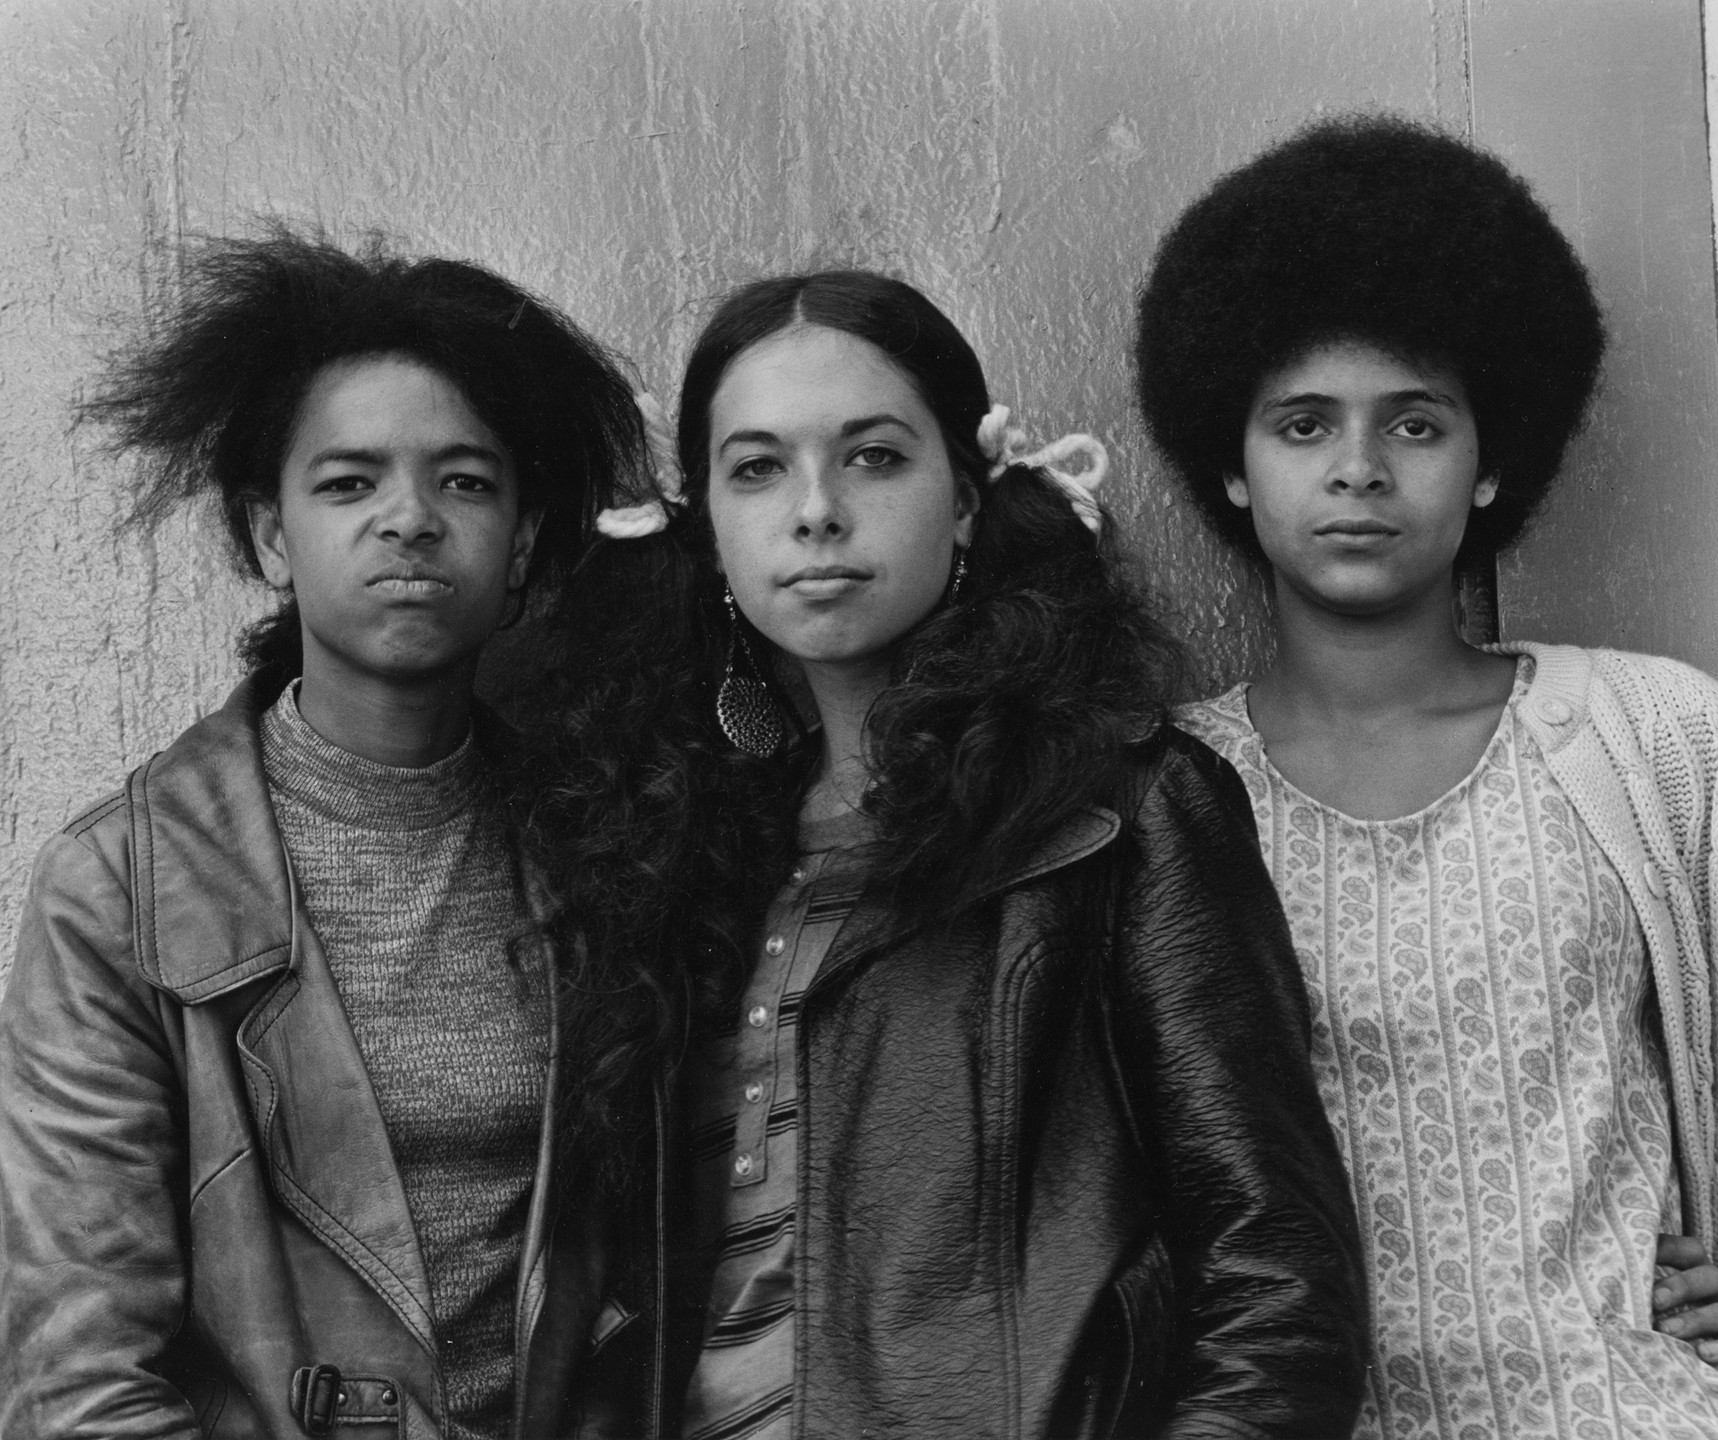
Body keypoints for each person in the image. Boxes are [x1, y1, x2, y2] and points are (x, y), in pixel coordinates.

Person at [554, 268, 1368, 1438]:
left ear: (970, 500)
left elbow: (1276, 1283)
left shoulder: (1119, 814)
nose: (816, 509)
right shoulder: (671, 853)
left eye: (874, 457)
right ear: (709, 527)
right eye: (757, 468)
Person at [0, 230, 649, 1438]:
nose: (408, 520)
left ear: (521, 538)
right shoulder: (122, 889)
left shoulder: (602, 849)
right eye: (348, 483)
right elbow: (76, 1380)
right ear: (264, 536)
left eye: (463, 481)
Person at [1137, 114, 1718, 1438]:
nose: (1357, 469)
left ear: (1492, 450)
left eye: (1413, 421)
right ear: (1229, 464)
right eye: (1301, 424)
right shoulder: (1164, 797)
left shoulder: (1652, 735)